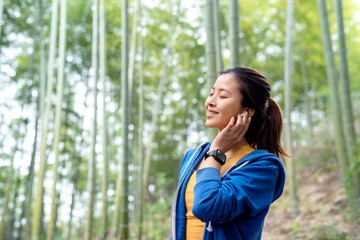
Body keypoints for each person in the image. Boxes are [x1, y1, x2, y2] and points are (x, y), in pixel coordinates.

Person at [170, 66, 287, 240]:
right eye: (211, 94)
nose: (211, 101)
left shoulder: (263, 168)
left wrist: (216, 152)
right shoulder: (193, 156)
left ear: (246, 112)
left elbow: (207, 207)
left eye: (223, 96)